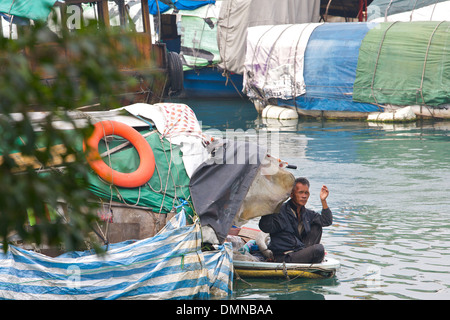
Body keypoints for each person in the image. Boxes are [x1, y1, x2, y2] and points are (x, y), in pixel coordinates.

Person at [259, 177, 332, 264]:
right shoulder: (279, 210)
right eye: (300, 192)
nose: (304, 196)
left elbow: (326, 221)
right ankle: (309, 258)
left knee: (317, 226)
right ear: (292, 194)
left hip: (298, 251)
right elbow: (265, 227)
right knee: (319, 249)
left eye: (306, 193)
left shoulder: (307, 214)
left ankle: (307, 257)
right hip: (284, 256)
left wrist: (323, 201)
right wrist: (269, 207)